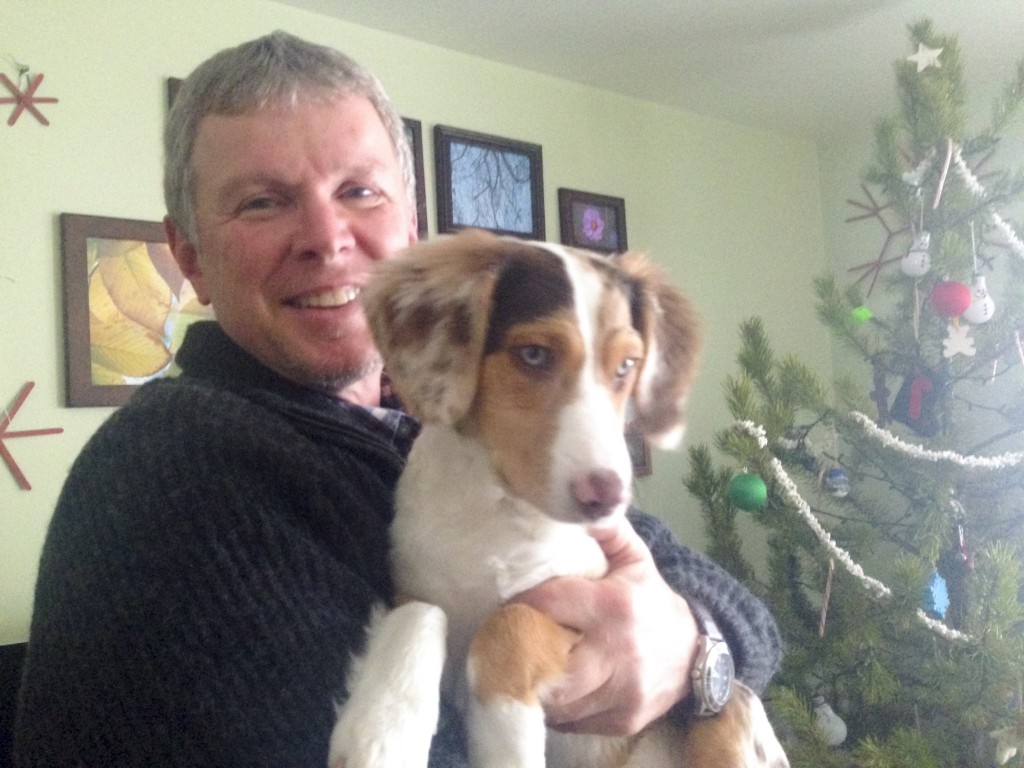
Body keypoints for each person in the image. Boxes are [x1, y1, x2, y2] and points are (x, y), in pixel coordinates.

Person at [14, 31, 782, 767]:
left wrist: (692, 647)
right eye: (261, 203)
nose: (326, 236)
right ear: (190, 258)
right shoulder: (175, 464)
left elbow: (738, 613)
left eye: (359, 190)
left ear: (409, 226)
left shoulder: (457, 429)